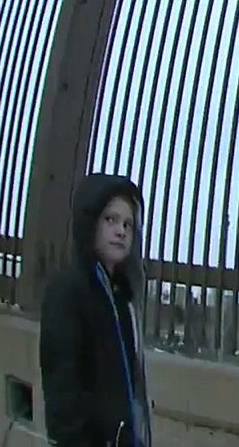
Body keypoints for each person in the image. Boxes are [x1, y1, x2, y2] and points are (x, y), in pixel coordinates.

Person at [40, 173, 153, 447]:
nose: (121, 231)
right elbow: (62, 386)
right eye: (110, 219)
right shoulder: (68, 291)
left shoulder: (123, 296)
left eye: (128, 224)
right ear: (89, 222)